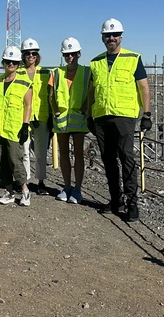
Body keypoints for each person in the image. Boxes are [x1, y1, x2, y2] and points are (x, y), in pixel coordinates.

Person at [82, 18, 151, 222]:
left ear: (121, 36)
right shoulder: (96, 62)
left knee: (126, 157)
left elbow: (144, 87)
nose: (111, 38)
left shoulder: (133, 58)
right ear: (102, 38)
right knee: (108, 160)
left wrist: (146, 114)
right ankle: (115, 200)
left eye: (114, 35)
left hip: (124, 117)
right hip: (102, 117)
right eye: (107, 35)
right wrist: (89, 115)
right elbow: (92, 91)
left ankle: (132, 202)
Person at [0, 46, 33, 206]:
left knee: (15, 160)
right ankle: (9, 191)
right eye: (7, 61)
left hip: (14, 130)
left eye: (13, 62)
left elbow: (28, 106)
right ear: (3, 62)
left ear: (18, 64)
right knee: (0, 161)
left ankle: (25, 190)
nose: (10, 64)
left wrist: (25, 126)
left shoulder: (24, 84)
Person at [50, 37, 90, 203]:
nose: (70, 57)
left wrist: (85, 110)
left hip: (79, 120)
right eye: (67, 54)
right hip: (62, 121)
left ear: (79, 54)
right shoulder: (56, 73)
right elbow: (50, 95)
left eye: (73, 54)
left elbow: (91, 94)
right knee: (64, 155)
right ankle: (67, 187)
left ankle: (77, 190)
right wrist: (56, 111)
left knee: (78, 155)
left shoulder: (87, 72)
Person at [18, 37, 52, 195]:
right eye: (28, 53)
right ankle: (24, 182)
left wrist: (52, 116)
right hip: (22, 117)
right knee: (24, 151)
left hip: (41, 116)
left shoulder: (46, 73)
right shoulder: (17, 73)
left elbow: (51, 95)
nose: (31, 56)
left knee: (40, 152)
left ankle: (41, 182)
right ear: (23, 55)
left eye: (34, 53)